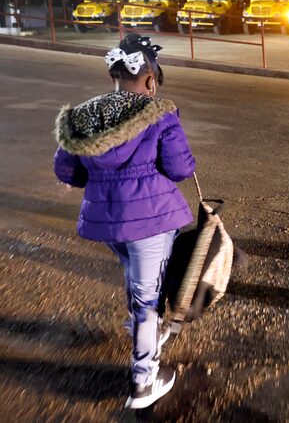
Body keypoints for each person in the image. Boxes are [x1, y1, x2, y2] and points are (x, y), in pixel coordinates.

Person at [53, 33, 195, 409]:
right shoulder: (160, 112)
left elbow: (66, 168)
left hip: (109, 221)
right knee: (148, 299)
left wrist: (97, 178)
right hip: (152, 220)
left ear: (114, 75)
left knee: (137, 279)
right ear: (150, 79)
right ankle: (143, 381)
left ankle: (141, 330)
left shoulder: (83, 114)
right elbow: (180, 168)